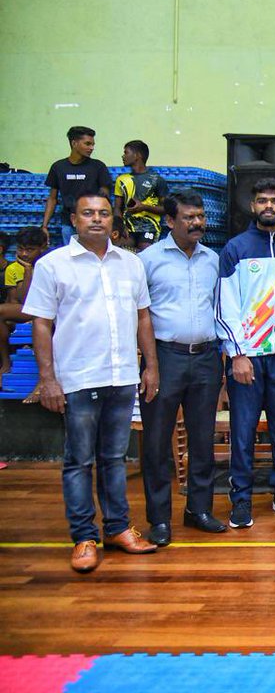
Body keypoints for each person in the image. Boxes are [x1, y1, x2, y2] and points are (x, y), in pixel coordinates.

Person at [22, 192, 159, 571]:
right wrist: (47, 380)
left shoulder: (130, 264)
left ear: (113, 219)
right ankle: (84, 536)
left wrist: (151, 367)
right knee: (79, 461)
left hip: (121, 376)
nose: (96, 219)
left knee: (115, 458)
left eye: (103, 213)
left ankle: (117, 528)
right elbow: (41, 323)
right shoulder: (53, 265)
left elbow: (143, 318)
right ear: (74, 219)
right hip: (78, 377)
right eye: (88, 213)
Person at [136, 191, 228, 545]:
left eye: (200, 216)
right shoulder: (149, 261)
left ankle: (199, 510)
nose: (197, 223)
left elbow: (219, 312)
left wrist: (219, 368)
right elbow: (139, 315)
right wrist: (149, 365)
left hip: (206, 356)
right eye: (189, 217)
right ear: (170, 221)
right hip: (164, 357)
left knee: (203, 438)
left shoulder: (212, 260)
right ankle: (159, 519)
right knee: (158, 443)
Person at [215, 177, 275, 528]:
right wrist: (238, 354)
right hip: (247, 358)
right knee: (243, 430)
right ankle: (240, 499)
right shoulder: (235, 249)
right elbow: (226, 306)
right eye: (263, 200)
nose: (270, 206)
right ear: (253, 206)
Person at [41, 126, 110, 246]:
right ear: (74, 143)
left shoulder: (98, 167)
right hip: (68, 223)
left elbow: (105, 196)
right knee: (71, 258)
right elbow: (52, 198)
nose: (91, 148)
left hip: (92, 223)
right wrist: (44, 226)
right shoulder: (58, 167)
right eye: (87, 144)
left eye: (93, 144)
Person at [0, 227, 49, 379]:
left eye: (30, 250)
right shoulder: (12, 269)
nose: (24, 254)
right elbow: (20, 300)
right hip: (26, 308)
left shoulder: (50, 265)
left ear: (42, 248)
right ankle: (5, 361)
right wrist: (28, 271)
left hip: (49, 309)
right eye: (21, 249)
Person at [113, 140, 169, 251]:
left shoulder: (156, 180)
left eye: (126, 152)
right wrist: (120, 226)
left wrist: (144, 207)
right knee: (120, 252)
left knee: (145, 254)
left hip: (149, 227)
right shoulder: (121, 180)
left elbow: (166, 209)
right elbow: (117, 208)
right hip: (127, 228)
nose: (123, 156)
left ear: (137, 155)